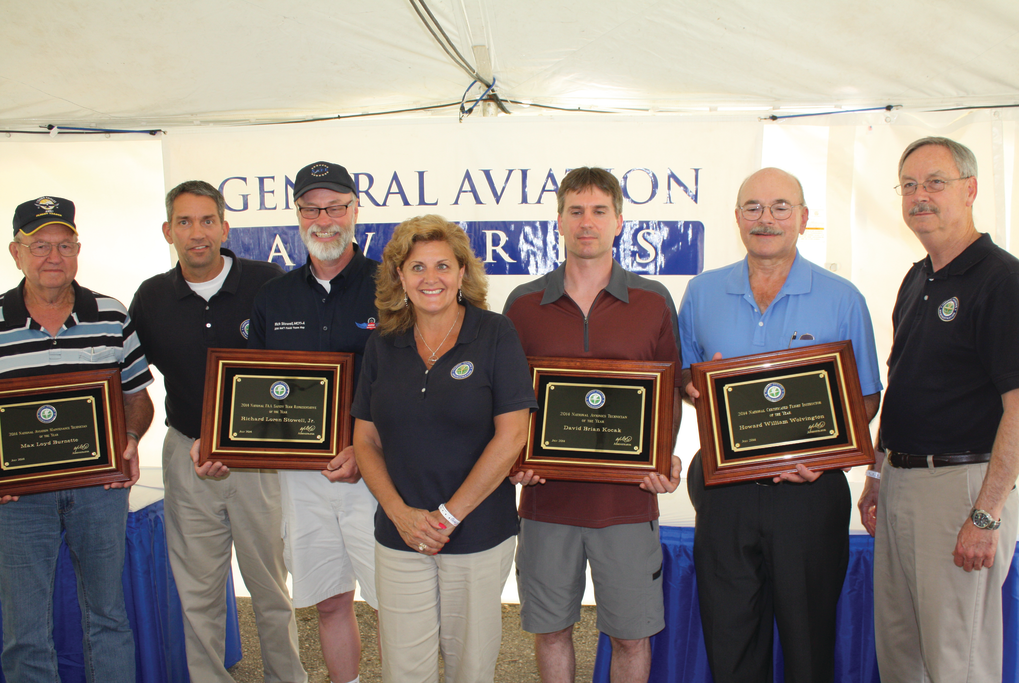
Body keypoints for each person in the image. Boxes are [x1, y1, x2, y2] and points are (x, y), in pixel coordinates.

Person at [679, 167, 882, 683]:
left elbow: (867, 397)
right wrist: (695, 388)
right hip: (725, 490)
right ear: (737, 218)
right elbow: (685, 375)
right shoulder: (701, 293)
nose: (765, 219)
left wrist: (824, 458)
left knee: (808, 645)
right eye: (753, 208)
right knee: (731, 641)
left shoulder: (843, 297)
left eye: (780, 207)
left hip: (809, 493)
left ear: (804, 218)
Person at [196, 161, 379, 683]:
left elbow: (409, 383)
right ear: (298, 215)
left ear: (354, 211)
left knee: (395, 602)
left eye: (335, 206)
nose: (324, 218)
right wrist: (220, 443)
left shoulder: (390, 287)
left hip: (378, 474)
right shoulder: (275, 297)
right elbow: (255, 391)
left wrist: (370, 448)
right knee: (327, 600)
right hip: (302, 480)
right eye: (311, 208)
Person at [503, 167, 683, 683]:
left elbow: (668, 393)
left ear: (619, 222)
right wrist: (519, 459)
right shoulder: (522, 304)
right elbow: (509, 399)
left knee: (630, 635)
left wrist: (661, 457)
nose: (587, 222)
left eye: (599, 211)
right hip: (546, 500)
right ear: (558, 221)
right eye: (576, 211)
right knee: (552, 630)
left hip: (626, 503)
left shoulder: (653, 301)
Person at [858, 137, 1019, 683]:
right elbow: (904, 385)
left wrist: (986, 512)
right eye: (908, 185)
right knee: (902, 655)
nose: (919, 196)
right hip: (903, 483)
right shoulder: (917, 277)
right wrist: (878, 472)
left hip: (960, 489)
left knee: (958, 661)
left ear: (971, 189)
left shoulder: (1002, 280)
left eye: (935, 182)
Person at [129, 181, 306, 683]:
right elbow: (126, 377)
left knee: (271, 587)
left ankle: (287, 678)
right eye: (184, 222)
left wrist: (245, 437)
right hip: (187, 456)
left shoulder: (268, 283)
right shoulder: (152, 298)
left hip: (259, 459)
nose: (196, 233)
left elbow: (296, 376)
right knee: (197, 593)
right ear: (169, 231)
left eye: (207, 220)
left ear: (225, 228)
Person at [351, 214, 537, 683]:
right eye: (416, 267)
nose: (429, 278)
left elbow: (512, 434)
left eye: (442, 266)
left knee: (470, 669)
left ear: (461, 273)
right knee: (403, 670)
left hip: (475, 534)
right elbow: (365, 440)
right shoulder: (382, 344)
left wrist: (448, 517)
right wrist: (399, 513)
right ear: (399, 275)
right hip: (400, 536)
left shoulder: (496, 334)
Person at [0, 196, 155, 682]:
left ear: (78, 249)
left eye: (65, 245)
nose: (54, 256)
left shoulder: (110, 314)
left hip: (98, 492)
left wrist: (128, 438)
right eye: (40, 244)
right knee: (24, 629)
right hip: (18, 499)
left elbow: (138, 397)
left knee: (108, 617)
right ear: (15, 252)